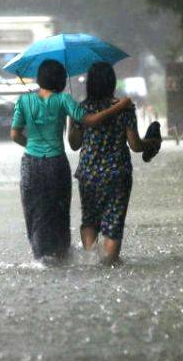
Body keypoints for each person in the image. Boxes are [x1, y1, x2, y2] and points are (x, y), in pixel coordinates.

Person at [10, 59, 133, 262]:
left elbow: (14, 134)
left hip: (30, 164)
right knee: (59, 213)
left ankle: (40, 257)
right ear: (60, 80)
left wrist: (33, 147)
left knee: (34, 210)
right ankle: (60, 255)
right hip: (56, 164)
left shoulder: (23, 101)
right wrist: (120, 106)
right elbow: (91, 120)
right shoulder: (64, 100)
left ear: (40, 78)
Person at [68, 62, 161, 265]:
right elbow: (135, 145)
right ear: (111, 83)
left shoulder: (81, 109)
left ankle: (90, 262)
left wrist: (72, 121)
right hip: (117, 174)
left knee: (90, 220)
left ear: (90, 84)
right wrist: (152, 142)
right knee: (114, 223)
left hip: (88, 174)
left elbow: (74, 145)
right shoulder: (124, 108)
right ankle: (108, 263)